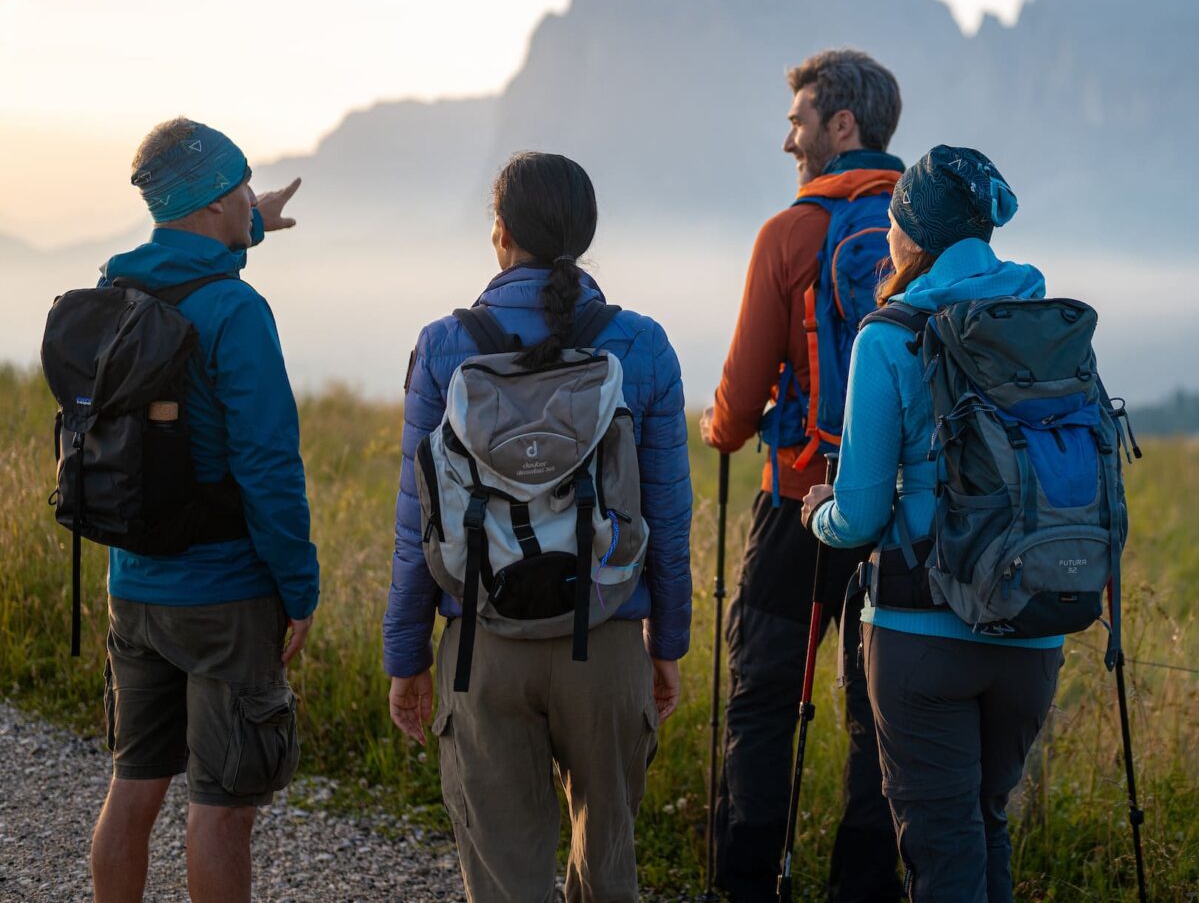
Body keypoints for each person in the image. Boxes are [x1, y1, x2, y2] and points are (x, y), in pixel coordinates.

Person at [381, 151, 692, 903]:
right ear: (584, 237)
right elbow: (670, 518)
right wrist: (667, 645)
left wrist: (406, 655)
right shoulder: (642, 344)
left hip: (481, 644)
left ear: (500, 234)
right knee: (607, 872)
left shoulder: (445, 345)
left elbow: (417, 517)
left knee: (505, 880)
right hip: (608, 634)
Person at [803, 146, 1062, 903]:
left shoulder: (888, 336)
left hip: (923, 631)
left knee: (942, 850)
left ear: (915, 234)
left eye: (892, 223)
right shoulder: (1041, 321)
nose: (886, 238)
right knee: (985, 824)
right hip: (1034, 626)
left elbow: (858, 518)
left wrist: (819, 513)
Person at [89, 118, 318, 903]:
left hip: (135, 586)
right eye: (245, 188)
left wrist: (258, 222)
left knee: (134, 790)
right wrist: (301, 589)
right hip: (224, 596)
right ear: (218, 200)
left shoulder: (116, 288)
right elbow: (268, 467)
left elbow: (196, 247)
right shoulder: (236, 312)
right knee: (221, 811)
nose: (254, 199)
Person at [700, 49, 904, 901]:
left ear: (841, 125)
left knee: (761, 701)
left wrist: (719, 427)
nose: (789, 140)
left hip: (796, 504)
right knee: (881, 716)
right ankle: (863, 889)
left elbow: (742, 399)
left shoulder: (789, 234)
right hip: (898, 515)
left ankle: (747, 887)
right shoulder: (920, 232)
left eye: (799, 121)